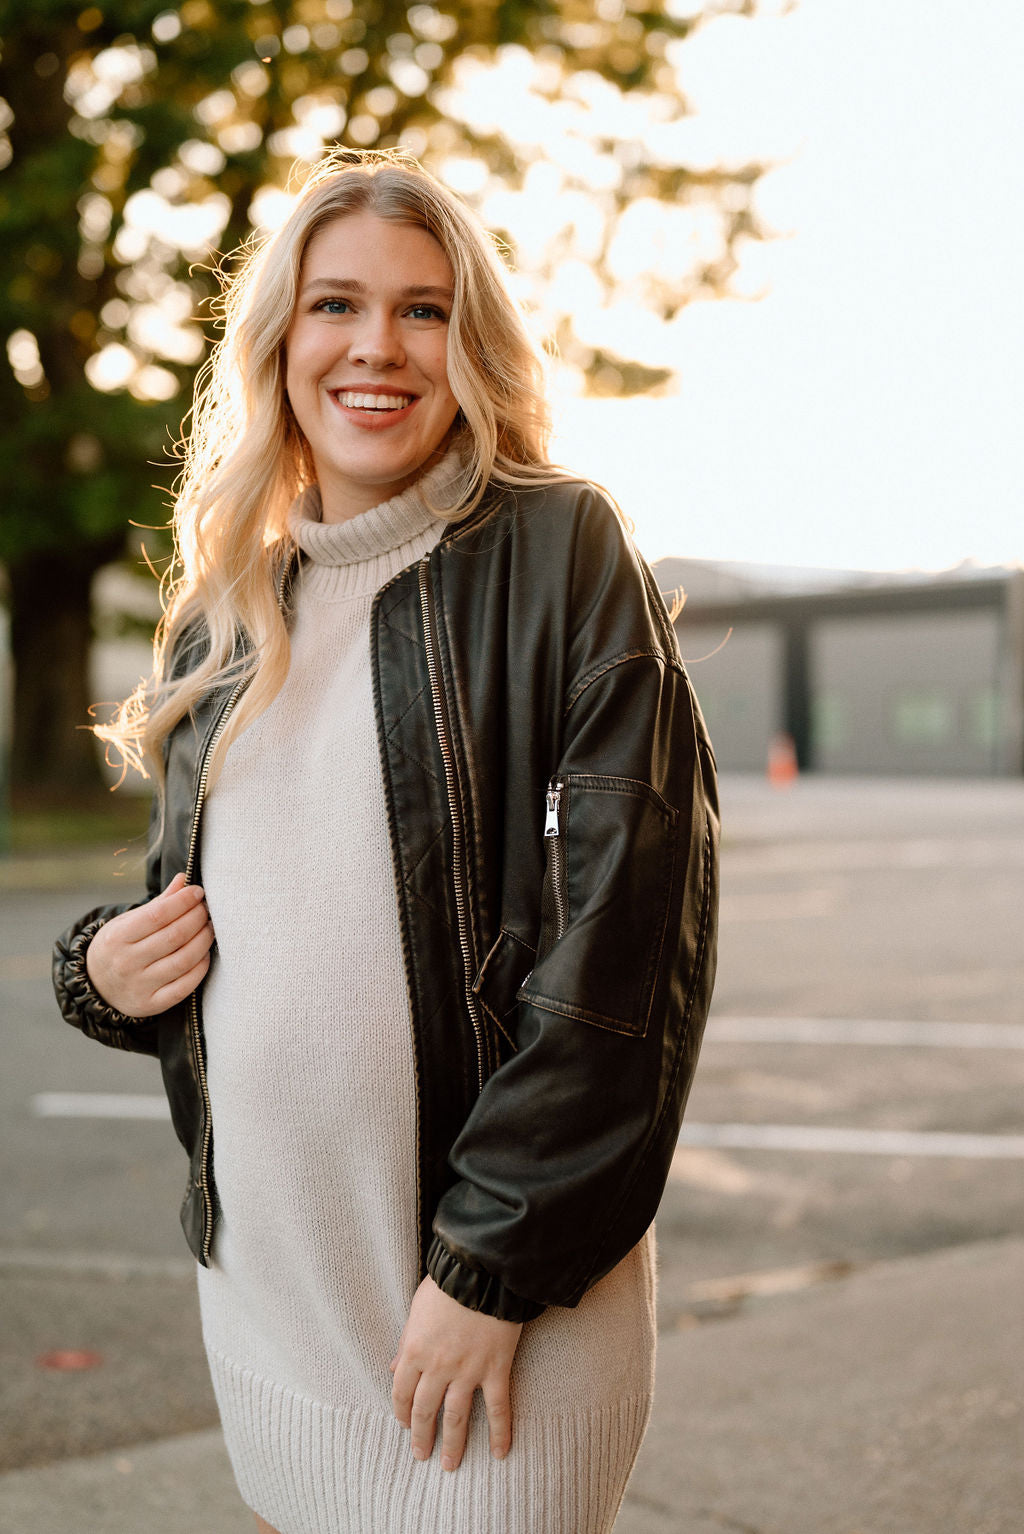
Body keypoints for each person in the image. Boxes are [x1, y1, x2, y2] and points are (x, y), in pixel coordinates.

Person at [53, 148, 719, 1534]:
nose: (377, 346)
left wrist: (492, 1264)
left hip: (493, 1310)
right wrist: (99, 974)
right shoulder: (222, 614)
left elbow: (627, 956)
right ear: (280, 340)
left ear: (469, 341)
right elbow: (197, 921)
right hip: (273, 1299)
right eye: (335, 304)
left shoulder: (563, 554)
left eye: (423, 309)